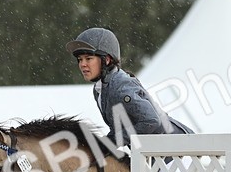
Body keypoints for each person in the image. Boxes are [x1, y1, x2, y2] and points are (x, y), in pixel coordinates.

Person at [67, 27, 195, 147]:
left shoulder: (121, 85)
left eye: (88, 58)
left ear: (107, 60)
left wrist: (109, 143)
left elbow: (151, 121)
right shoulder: (99, 90)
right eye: (80, 59)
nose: (82, 64)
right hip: (156, 154)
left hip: (178, 150)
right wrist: (102, 144)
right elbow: (118, 129)